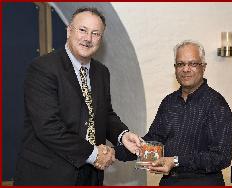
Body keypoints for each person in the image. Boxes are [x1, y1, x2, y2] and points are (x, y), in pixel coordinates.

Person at [14, 7, 141, 185]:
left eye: (95, 33)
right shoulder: (43, 68)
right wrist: (95, 154)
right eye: (82, 30)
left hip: (90, 176)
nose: (88, 39)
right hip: (48, 175)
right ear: (69, 31)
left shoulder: (101, 72)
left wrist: (122, 135)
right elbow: (48, 126)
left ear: (101, 39)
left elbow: (105, 114)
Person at [144, 40, 232, 185]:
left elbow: (221, 157)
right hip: (169, 182)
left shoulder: (217, 104)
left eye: (193, 64)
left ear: (203, 67)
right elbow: (154, 138)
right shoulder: (169, 102)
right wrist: (119, 149)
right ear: (175, 68)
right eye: (180, 64)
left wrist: (175, 161)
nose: (186, 69)